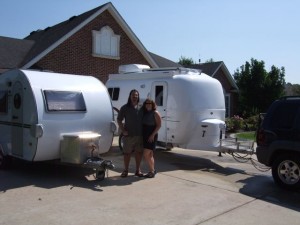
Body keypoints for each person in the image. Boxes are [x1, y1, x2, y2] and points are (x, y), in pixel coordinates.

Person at [117, 89, 144, 178]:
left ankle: (138, 170)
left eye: (136, 95)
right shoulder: (125, 107)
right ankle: (126, 170)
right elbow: (119, 119)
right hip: (128, 136)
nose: (135, 97)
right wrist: (123, 130)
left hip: (140, 135)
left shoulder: (141, 107)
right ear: (130, 96)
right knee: (127, 153)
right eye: (133, 95)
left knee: (139, 153)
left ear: (138, 96)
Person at [142, 98, 161, 178]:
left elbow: (159, 125)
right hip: (145, 135)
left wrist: (152, 135)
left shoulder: (155, 113)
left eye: (150, 103)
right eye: (146, 103)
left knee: (146, 154)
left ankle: (151, 171)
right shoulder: (145, 113)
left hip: (151, 136)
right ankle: (153, 170)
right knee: (150, 155)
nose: (148, 105)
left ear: (152, 104)